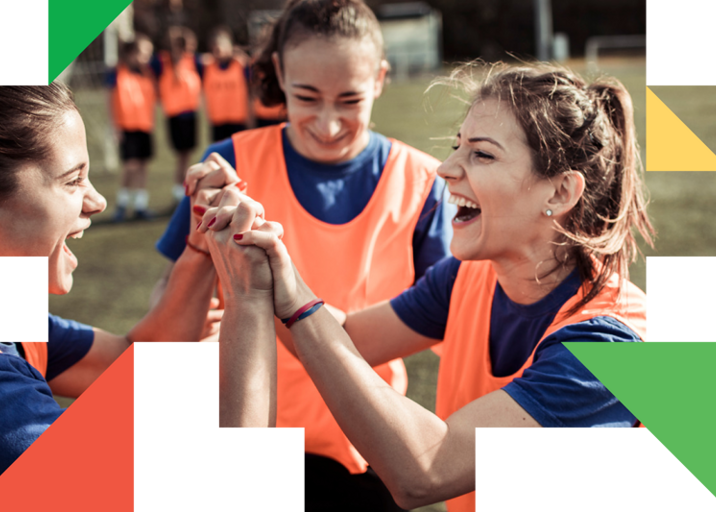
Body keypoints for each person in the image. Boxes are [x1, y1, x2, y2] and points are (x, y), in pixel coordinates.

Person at [202, 60, 654, 511]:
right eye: (457, 146)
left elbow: (426, 470)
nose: (446, 168)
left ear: (559, 192)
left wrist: (293, 299)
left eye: (482, 154)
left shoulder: (609, 346)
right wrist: (267, 269)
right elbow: (347, 339)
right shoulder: (467, 277)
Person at [154, 0, 456, 508]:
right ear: (279, 73)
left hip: (364, 444)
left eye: (349, 100)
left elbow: (449, 326)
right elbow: (170, 303)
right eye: (307, 97)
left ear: (380, 79)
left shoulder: (422, 181)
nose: (328, 123)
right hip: (242, 422)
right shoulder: (229, 163)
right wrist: (200, 264)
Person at [0, 83, 222, 508]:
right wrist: (253, 312)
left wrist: (200, 244)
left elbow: (129, 358)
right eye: (73, 181)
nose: (97, 201)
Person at [107, 34, 158, 222]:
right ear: (131, 53)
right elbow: (109, 101)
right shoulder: (116, 73)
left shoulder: (148, 73)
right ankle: (121, 205)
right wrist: (115, 126)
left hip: (145, 126)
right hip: (126, 127)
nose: (147, 57)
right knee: (130, 166)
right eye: (144, 53)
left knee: (143, 165)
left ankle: (140, 206)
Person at [152, 26, 203, 208]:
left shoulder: (193, 61)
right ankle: (178, 192)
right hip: (174, 115)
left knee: (187, 155)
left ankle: (185, 191)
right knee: (180, 156)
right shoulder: (162, 62)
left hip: (191, 114)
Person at [202, 26, 253, 142]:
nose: (219, 49)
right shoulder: (206, 67)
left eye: (222, 44)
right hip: (217, 120)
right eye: (215, 45)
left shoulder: (241, 65)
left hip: (238, 119)